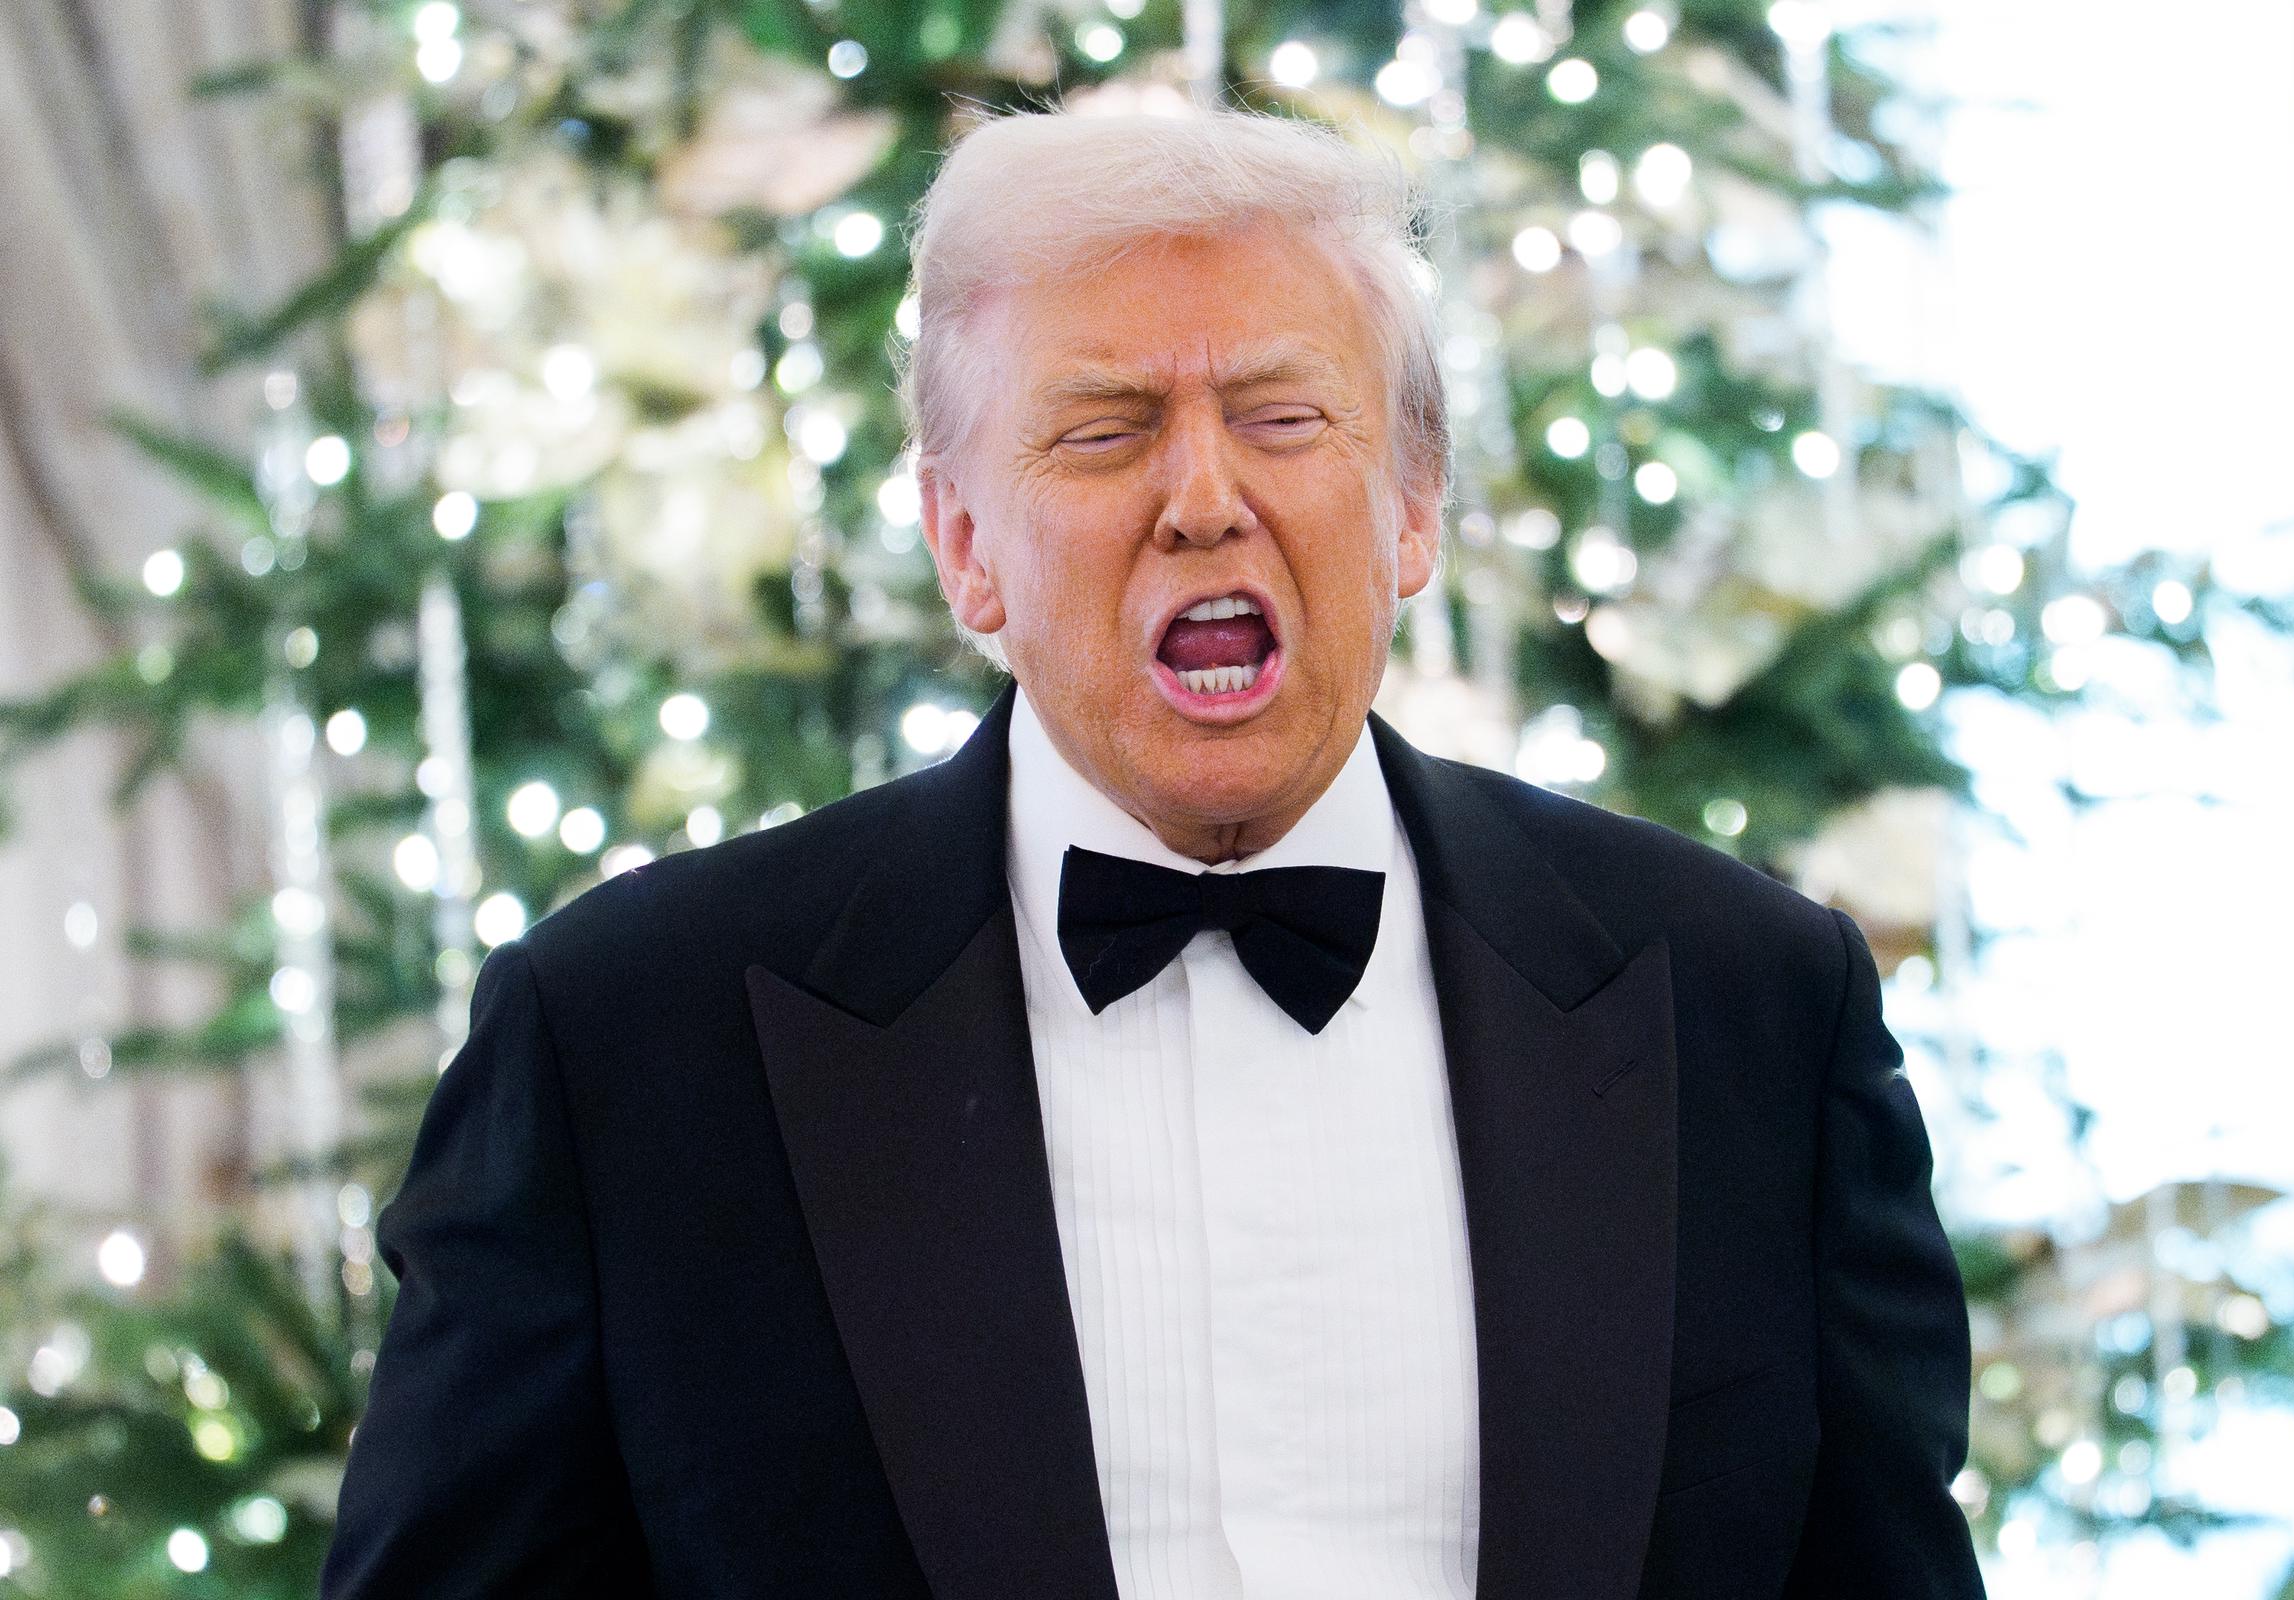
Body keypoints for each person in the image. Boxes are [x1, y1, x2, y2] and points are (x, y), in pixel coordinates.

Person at [321, 107, 1986, 1600]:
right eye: (1105, 431)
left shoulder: (1753, 1008)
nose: (1203, 500)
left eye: (1281, 415)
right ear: (965, 545)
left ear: (1412, 506)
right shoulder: (626, 1043)